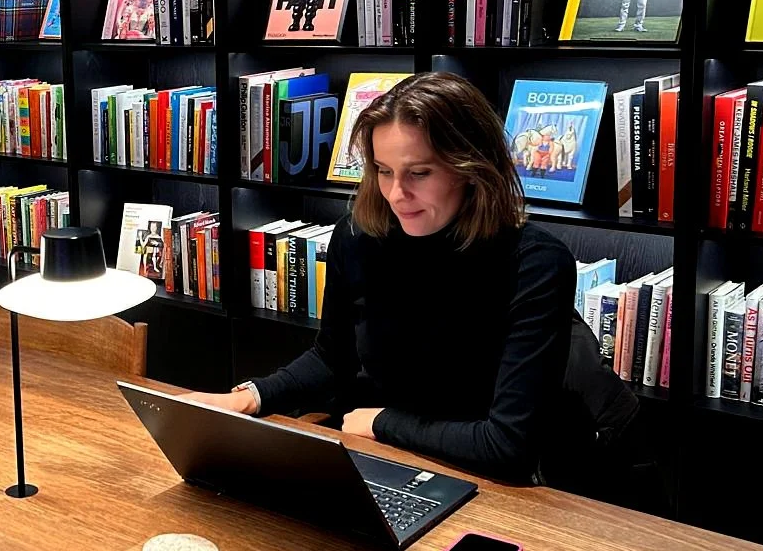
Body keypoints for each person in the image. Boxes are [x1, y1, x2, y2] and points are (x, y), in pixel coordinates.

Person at [188, 72, 575, 479]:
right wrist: (250, 398)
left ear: (470, 167)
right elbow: (332, 357)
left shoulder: (535, 264)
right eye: (383, 171)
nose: (395, 194)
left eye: (419, 173)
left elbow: (507, 445)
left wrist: (380, 422)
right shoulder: (359, 235)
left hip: (476, 480)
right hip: (372, 457)